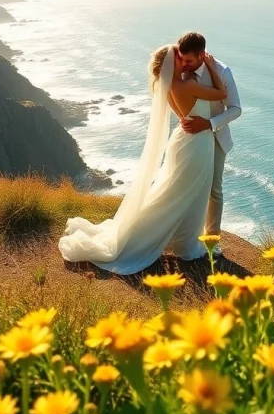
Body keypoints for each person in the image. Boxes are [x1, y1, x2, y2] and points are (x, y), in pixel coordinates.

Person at [57, 38, 233, 274]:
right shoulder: (188, 85)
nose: (184, 63)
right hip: (197, 143)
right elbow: (222, 93)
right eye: (180, 59)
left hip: (183, 139)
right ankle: (185, 244)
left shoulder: (170, 87)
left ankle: (178, 238)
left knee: (175, 192)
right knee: (188, 194)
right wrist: (210, 65)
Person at [173, 31, 242, 238]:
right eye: (182, 59)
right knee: (185, 184)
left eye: (189, 60)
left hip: (216, 137)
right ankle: (185, 234)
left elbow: (235, 109)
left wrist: (209, 124)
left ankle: (212, 238)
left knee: (214, 189)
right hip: (190, 137)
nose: (184, 65)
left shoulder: (222, 71)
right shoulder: (180, 68)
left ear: (202, 55)